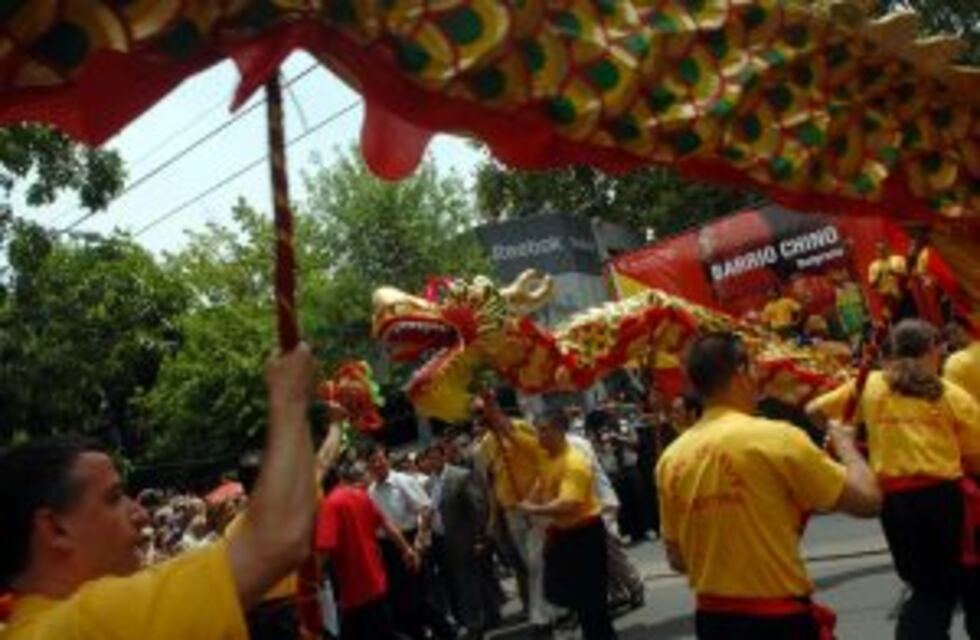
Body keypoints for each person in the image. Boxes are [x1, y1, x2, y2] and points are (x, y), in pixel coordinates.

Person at [0, 343, 321, 640]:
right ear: (55, 529)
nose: (140, 514)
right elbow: (280, 538)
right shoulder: (85, 625)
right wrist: (290, 397)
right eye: (112, 498)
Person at [657, 332, 880, 640]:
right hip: (778, 623)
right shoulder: (776, 438)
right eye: (753, 366)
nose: (759, 374)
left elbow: (677, 559)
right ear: (740, 372)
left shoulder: (670, 459)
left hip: (712, 623)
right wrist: (846, 446)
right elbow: (868, 500)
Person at [807, 319, 980, 639]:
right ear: (932, 351)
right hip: (945, 498)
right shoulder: (949, 394)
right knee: (965, 582)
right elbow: (976, 457)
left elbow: (815, 410)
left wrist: (853, 438)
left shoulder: (869, 386)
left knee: (928, 589)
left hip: (896, 504)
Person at [518, 410, 619, 640]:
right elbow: (540, 484)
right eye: (537, 431)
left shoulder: (574, 462)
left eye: (543, 430)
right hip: (563, 536)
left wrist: (532, 510)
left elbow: (568, 504)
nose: (539, 436)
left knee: (592, 605)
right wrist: (529, 502)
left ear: (559, 430)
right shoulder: (547, 459)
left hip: (584, 537)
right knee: (567, 597)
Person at [471, 392, 555, 636]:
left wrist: (537, 500)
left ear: (494, 406)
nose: (479, 418)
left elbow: (542, 462)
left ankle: (543, 618)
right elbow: (492, 483)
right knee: (531, 564)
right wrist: (493, 519)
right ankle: (548, 613)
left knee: (539, 562)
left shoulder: (522, 428)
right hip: (513, 512)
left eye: (482, 410)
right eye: (476, 414)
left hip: (539, 505)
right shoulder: (486, 445)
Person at [315, 464, 419, 640]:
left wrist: (313, 577)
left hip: (355, 589)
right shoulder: (360, 496)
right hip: (375, 580)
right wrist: (407, 549)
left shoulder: (330, 505)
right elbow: (386, 524)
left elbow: (324, 548)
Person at [366, 443, 454, 640]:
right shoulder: (370, 491)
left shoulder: (403, 481)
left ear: (386, 459)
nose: (378, 464)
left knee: (421, 597)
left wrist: (419, 543)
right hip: (389, 549)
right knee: (401, 602)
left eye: (380, 459)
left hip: (411, 541)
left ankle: (447, 633)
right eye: (372, 462)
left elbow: (425, 510)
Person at [427, 441, 494, 639]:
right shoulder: (429, 483)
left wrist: (480, 538)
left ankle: (478, 624)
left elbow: (478, 508)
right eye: (429, 459)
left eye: (435, 457)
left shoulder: (460, 476)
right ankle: (476, 618)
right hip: (443, 543)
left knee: (471, 582)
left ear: (443, 456)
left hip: (465, 538)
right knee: (459, 585)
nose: (432, 462)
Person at [868, 241, 910, 319]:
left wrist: (895, 273)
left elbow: (907, 274)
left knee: (908, 314)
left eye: (883, 249)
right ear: (876, 252)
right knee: (893, 319)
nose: (881, 252)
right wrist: (879, 276)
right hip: (887, 298)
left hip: (903, 293)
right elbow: (872, 285)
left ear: (888, 249)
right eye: (878, 250)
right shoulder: (873, 266)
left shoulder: (898, 259)